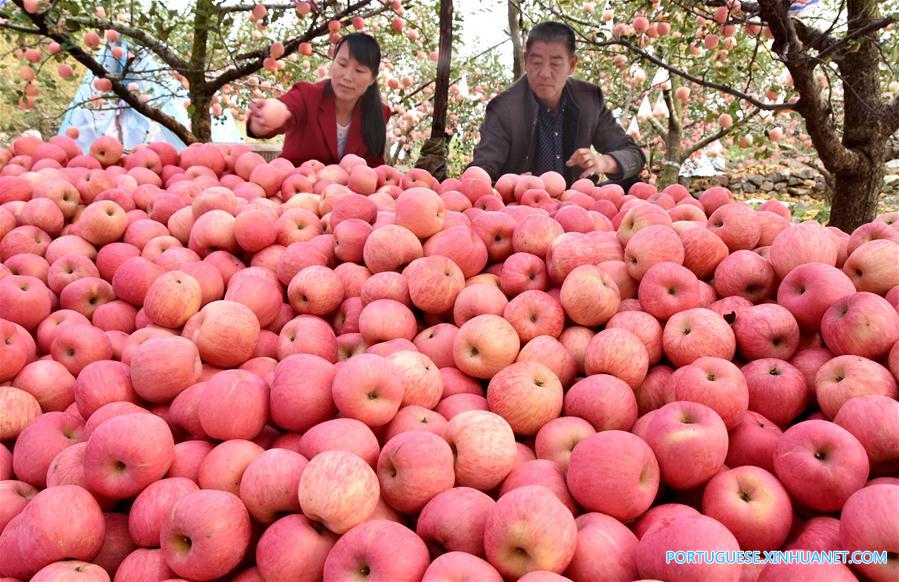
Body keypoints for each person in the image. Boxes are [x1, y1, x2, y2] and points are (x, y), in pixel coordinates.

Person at [470, 21, 645, 189]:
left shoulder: (589, 99)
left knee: (634, 183)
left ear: (572, 65)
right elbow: (483, 167)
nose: (545, 73)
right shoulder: (504, 107)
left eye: (555, 64)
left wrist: (603, 162)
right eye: (537, 62)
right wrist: (509, 185)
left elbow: (633, 154)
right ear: (526, 61)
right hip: (523, 204)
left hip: (576, 201)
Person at [246, 33, 391, 166]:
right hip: (294, 189)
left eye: (359, 70)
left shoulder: (378, 113)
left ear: (372, 78)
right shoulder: (306, 95)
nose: (347, 77)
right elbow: (284, 110)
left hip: (347, 193)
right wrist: (261, 121)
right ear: (332, 64)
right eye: (342, 64)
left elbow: (374, 168)